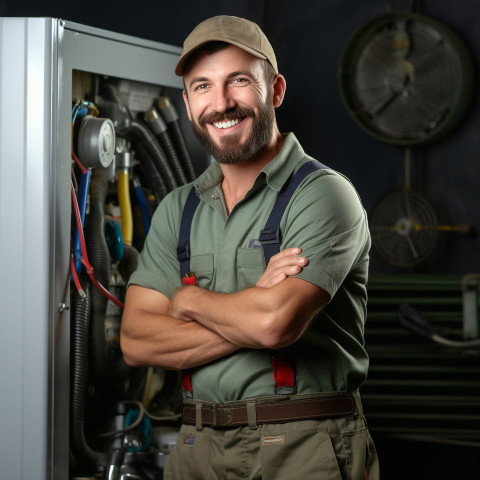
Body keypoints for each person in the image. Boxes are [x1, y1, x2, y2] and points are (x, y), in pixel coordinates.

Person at [121, 15, 379, 480]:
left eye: (239, 81)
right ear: (186, 101)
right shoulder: (178, 209)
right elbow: (136, 340)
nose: (220, 103)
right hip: (196, 446)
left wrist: (187, 300)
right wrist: (250, 309)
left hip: (302, 445)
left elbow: (273, 323)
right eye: (202, 86)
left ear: (275, 90)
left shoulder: (323, 195)